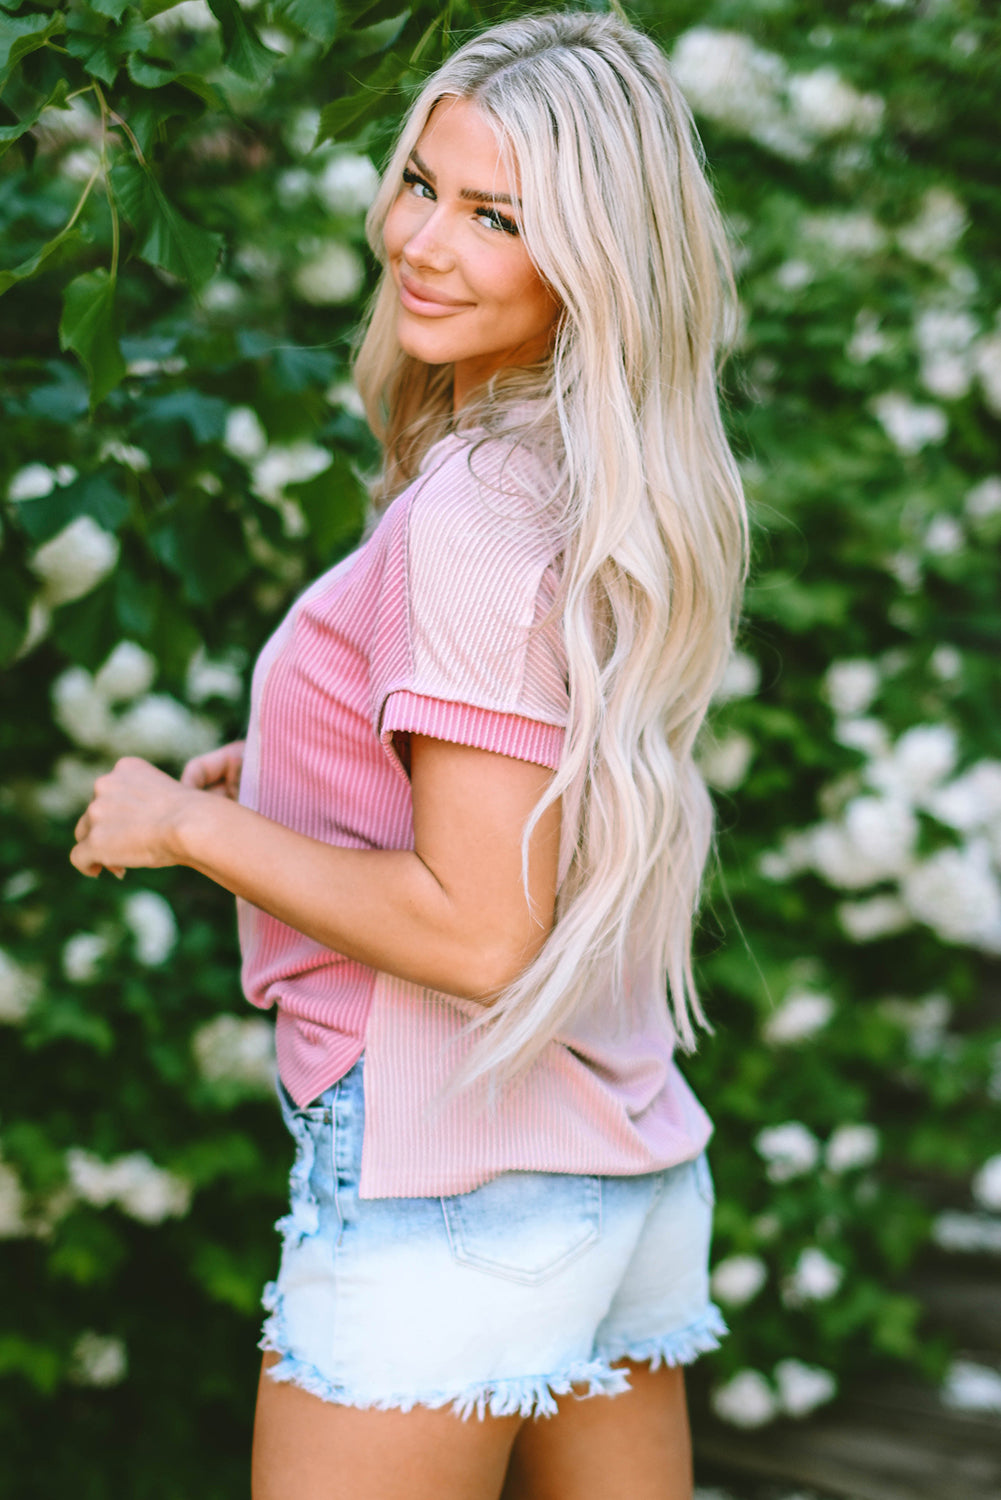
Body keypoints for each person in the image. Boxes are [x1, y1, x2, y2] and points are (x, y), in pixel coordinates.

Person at [70, 10, 748, 1498]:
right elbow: (528, 805)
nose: (420, 242)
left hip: (456, 1183)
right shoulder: (582, 474)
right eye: (423, 184)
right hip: (617, 1157)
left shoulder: (473, 511)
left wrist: (184, 832)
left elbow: (483, 935)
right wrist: (303, 782)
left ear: (597, 263)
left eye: (495, 215)